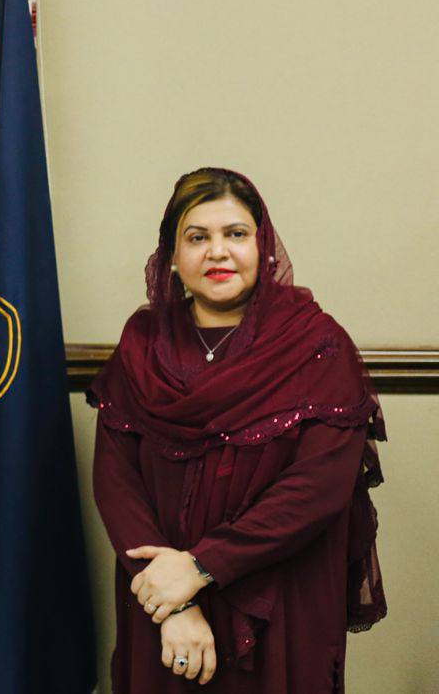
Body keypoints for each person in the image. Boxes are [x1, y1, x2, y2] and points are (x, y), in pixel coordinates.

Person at [88, 167, 386, 692]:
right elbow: (116, 483)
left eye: (236, 234)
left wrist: (201, 567)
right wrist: (173, 604)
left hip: (280, 601)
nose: (218, 252)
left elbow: (317, 489)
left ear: (263, 247)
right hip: (160, 604)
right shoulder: (141, 343)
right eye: (197, 238)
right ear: (172, 256)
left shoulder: (317, 343)